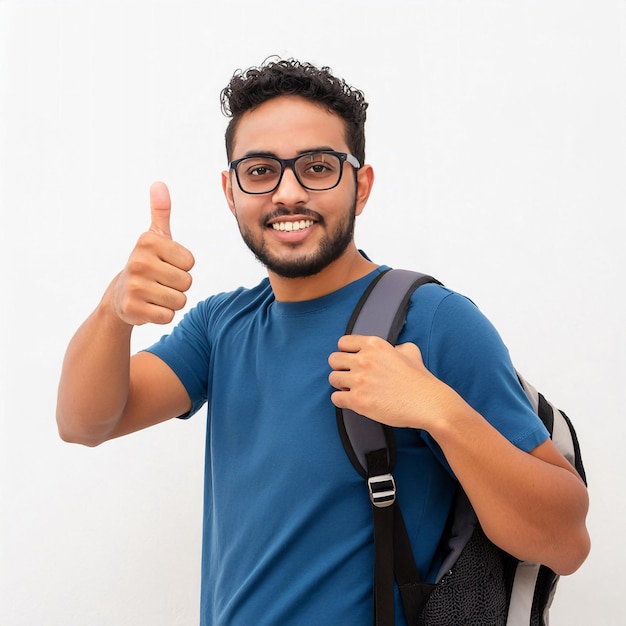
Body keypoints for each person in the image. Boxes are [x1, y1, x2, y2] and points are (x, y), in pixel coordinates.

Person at [56, 58, 590, 625]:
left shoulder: (432, 321)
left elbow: (565, 541)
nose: (288, 193)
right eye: (260, 170)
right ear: (230, 191)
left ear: (361, 186)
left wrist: (441, 412)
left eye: (317, 167)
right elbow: (85, 423)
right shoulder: (221, 325)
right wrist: (114, 310)